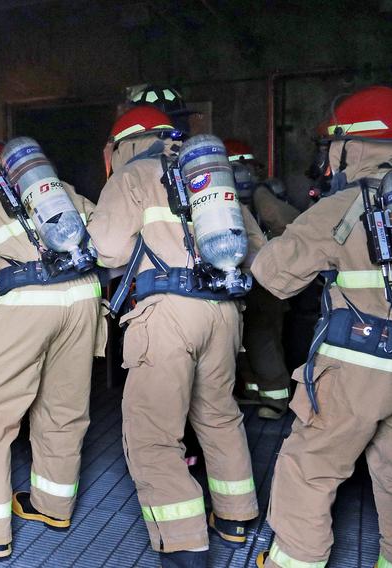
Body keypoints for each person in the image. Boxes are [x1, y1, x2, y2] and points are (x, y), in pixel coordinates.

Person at [88, 106, 265, 568]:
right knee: (220, 416)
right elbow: (257, 250)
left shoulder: (133, 175)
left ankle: (185, 546)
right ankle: (237, 517)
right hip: (224, 313)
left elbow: (107, 250)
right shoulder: (210, 176)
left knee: (153, 435)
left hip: (165, 313)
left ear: (124, 143)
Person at [0, 132, 105, 558]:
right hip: (83, 297)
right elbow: (100, 236)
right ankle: (52, 505)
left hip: (25, 302)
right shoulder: (50, 187)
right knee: (63, 406)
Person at [253, 85, 392, 568]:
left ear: (351, 146)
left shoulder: (344, 206)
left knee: (310, 467)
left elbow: (274, 276)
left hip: (356, 363)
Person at [226, 139, 300, 419]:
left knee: (262, 337)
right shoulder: (234, 197)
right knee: (246, 338)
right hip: (247, 277)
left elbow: (287, 221)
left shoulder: (258, 195)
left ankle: (276, 399)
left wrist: (273, 254)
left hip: (261, 279)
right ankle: (255, 392)